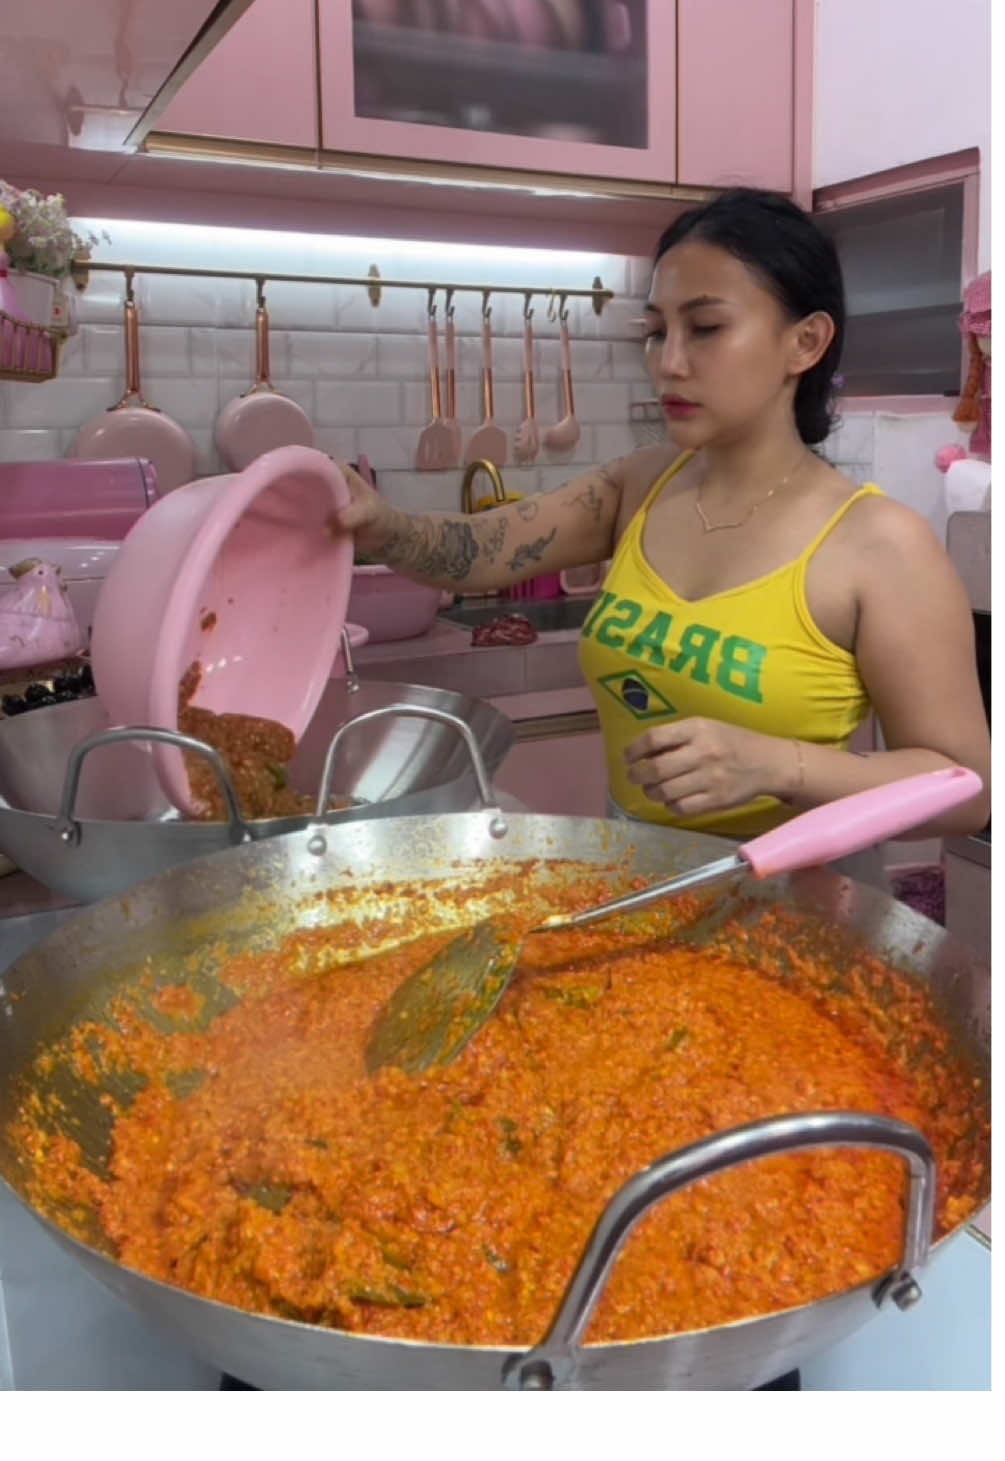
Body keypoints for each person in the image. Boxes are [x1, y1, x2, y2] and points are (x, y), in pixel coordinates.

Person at [333, 188, 990, 861]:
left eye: (704, 328)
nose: (667, 362)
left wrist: (780, 767)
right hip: (633, 876)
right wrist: (375, 521)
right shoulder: (641, 485)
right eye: (654, 331)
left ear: (805, 341)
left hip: (805, 903)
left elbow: (964, 788)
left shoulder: (879, 544)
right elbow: (478, 549)